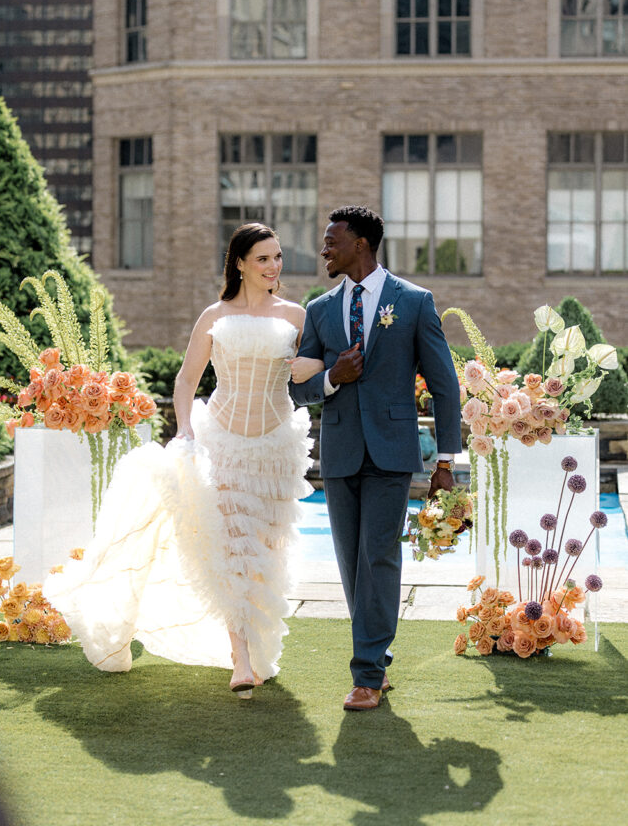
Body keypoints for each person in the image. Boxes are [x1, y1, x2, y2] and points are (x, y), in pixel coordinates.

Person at [45, 223, 321, 699]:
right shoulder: (214, 315)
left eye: (278, 257)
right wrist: (188, 429)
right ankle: (240, 658)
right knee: (233, 549)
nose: (274, 267)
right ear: (239, 263)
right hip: (224, 442)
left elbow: (322, 364)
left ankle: (257, 646)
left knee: (266, 553)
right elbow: (184, 381)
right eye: (263, 259)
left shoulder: (297, 316)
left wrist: (312, 365)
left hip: (277, 446)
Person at [290, 206, 462, 711]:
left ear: (361, 244)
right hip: (340, 453)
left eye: (331, 241)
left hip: (391, 455)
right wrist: (330, 378)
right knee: (350, 564)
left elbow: (445, 386)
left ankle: (366, 674)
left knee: (378, 556)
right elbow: (296, 391)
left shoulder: (413, 302)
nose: (324, 250)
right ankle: (377, 657)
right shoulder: (319, 310)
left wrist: (445, 461)